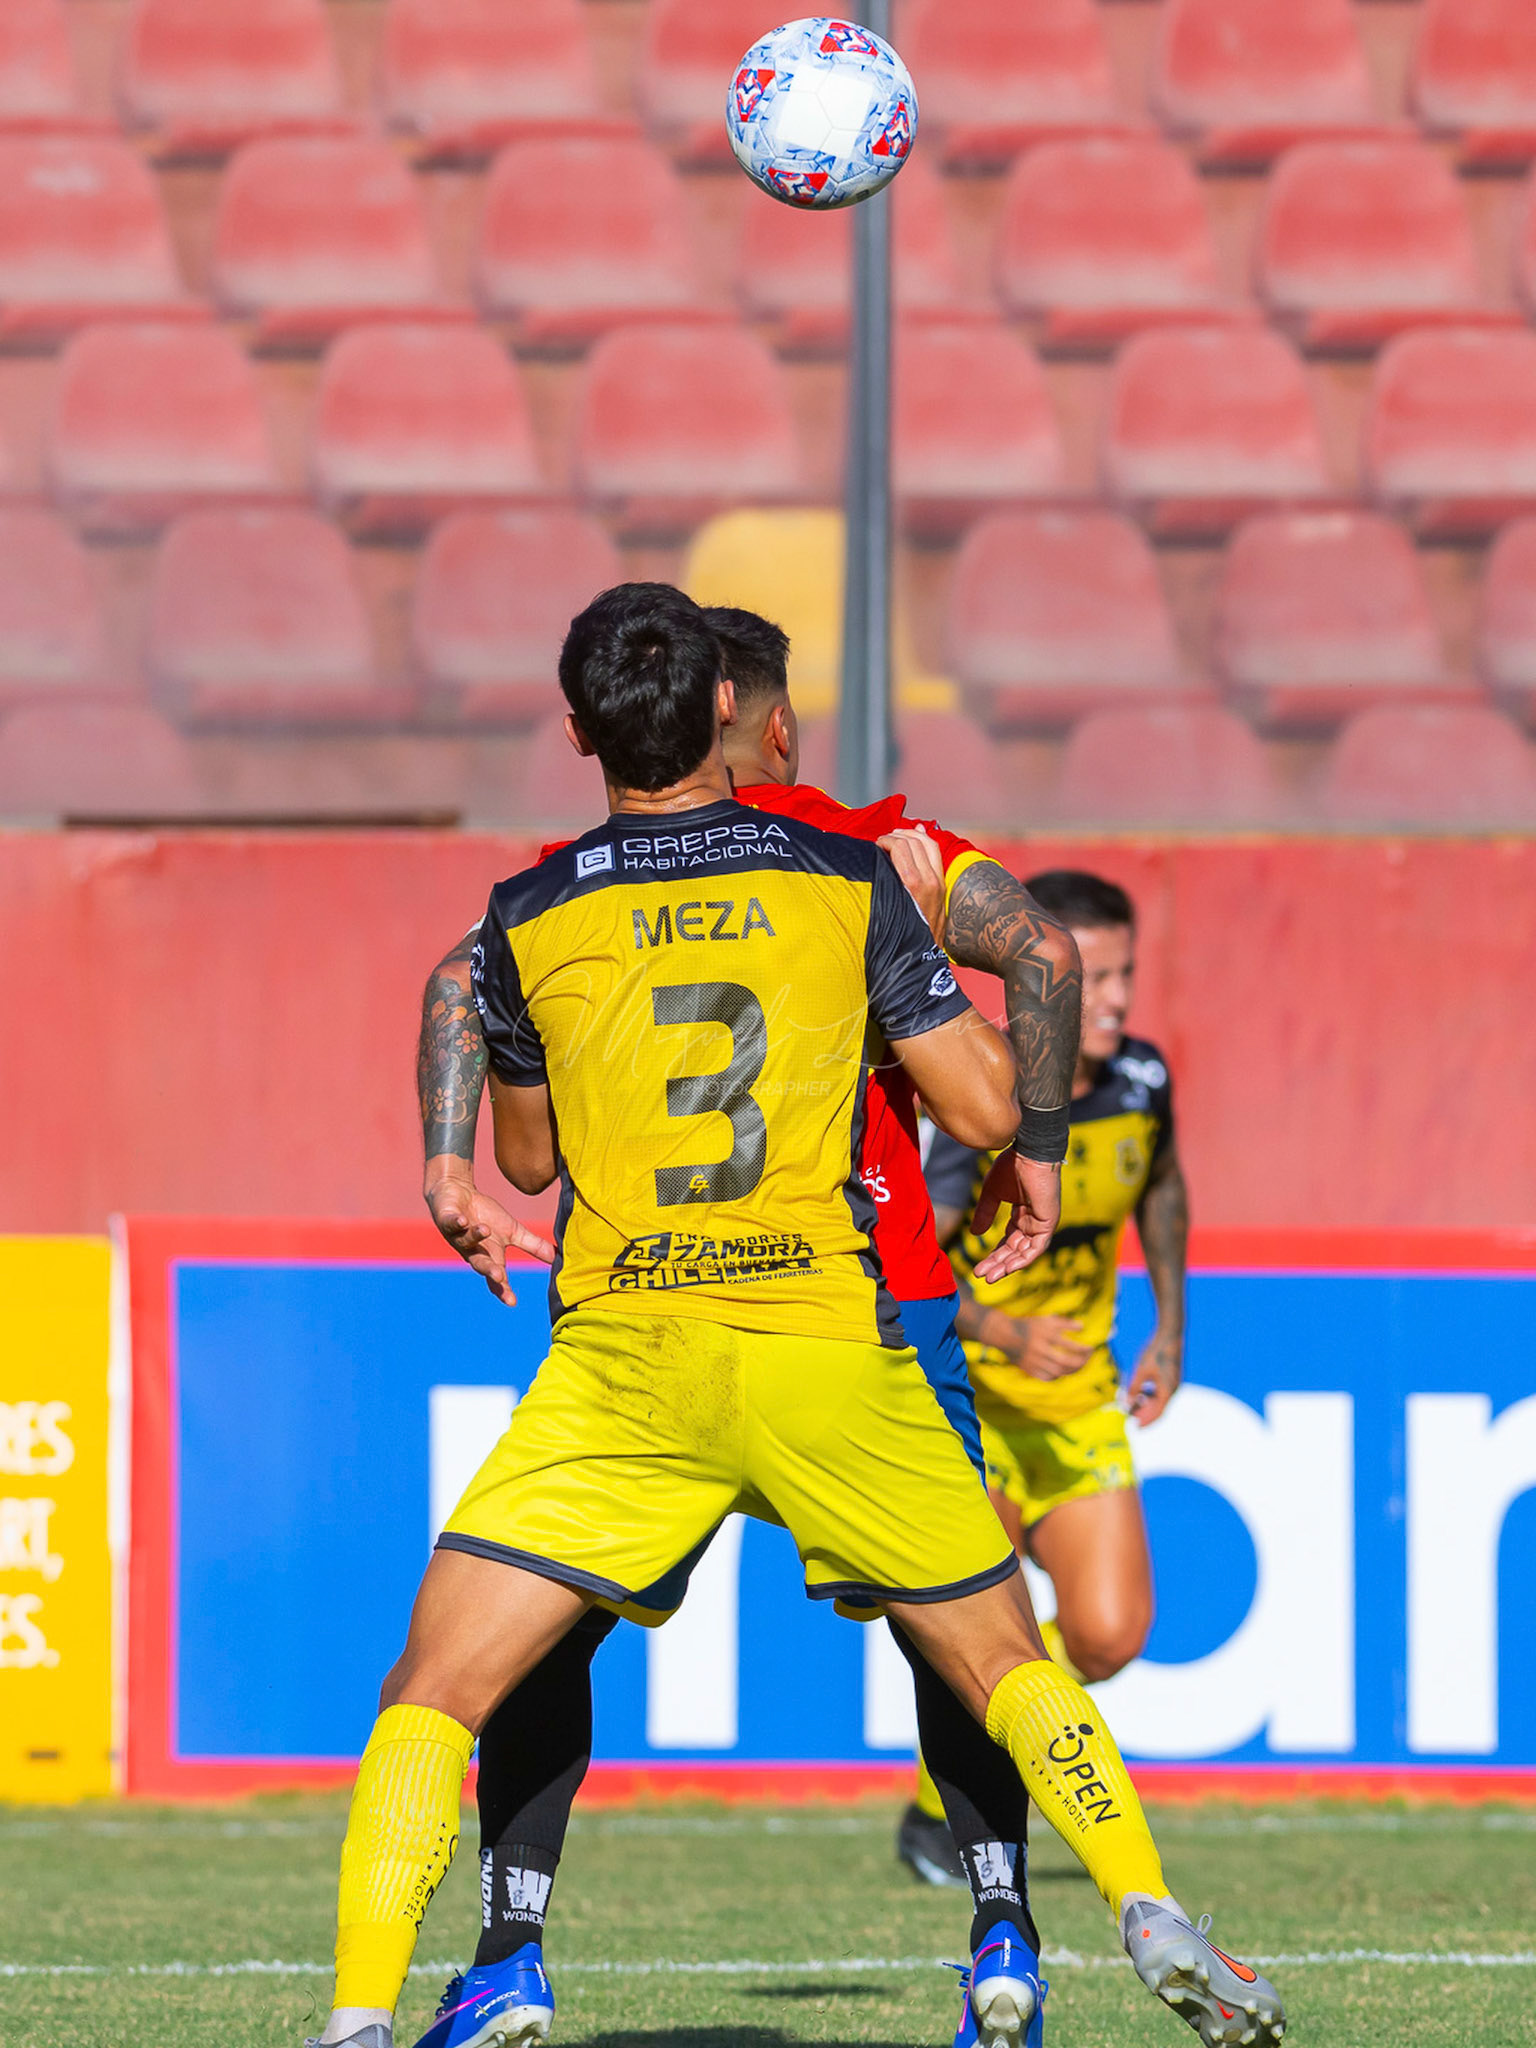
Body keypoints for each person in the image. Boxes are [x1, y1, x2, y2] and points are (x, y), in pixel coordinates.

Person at [319, 585, 1282, 2048]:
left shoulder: (530, 910)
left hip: (628, 1364)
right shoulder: (848, 874)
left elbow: (528, 1157)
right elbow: (985, 1089)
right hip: (833, 1342)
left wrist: (463, 1150)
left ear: (576, 732)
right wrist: (1003, 1107)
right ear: (729, 706)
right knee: (1003, 1660)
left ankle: (363, 2015)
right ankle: (1142, 1906)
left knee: (437, 1684)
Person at [412, 606, 1080, 2048]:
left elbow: (460, 984)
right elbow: (1041, 950)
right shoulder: (876, 846)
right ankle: (1004, 1935)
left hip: (646, 1311)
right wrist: (1039, 1155)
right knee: (966, 1636)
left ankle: (508, 1947)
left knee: (543, 1627)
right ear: (760, 715)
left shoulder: (571, 881)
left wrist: (451, 1162)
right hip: (871, 1300)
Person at [926, 872, 1188, 1689]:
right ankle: (958, 1774)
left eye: (1126, 975)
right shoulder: (983, 1103)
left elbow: (1164, 1186)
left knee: (1108, 1640)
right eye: (1096, 979)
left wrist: (1170, 1331)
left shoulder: (1141, 1082)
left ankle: (1001, 1721)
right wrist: (1003, 1332)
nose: (1117, 1000)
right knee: (978, 1639)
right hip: (976, 1403)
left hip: (1077, 1400)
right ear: (1043, 987)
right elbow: (911, 1263)